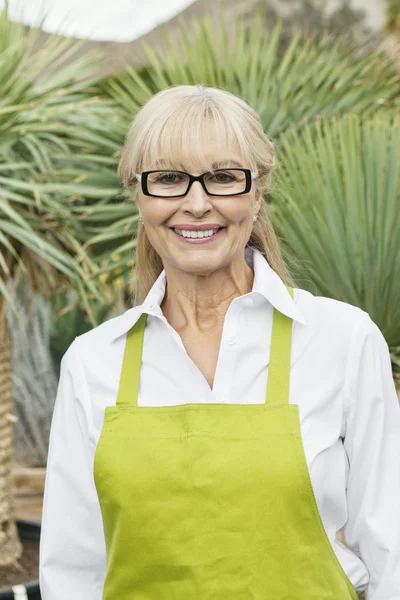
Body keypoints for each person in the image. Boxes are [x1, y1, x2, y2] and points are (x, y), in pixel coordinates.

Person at [39, 84, 400, 599]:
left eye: (224, 178)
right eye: (168, 179)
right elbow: (71, 574)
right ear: (139, 195)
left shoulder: (343, 341)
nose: (197, 204)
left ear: (257, 193)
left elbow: (392, 553)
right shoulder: (93, 362)